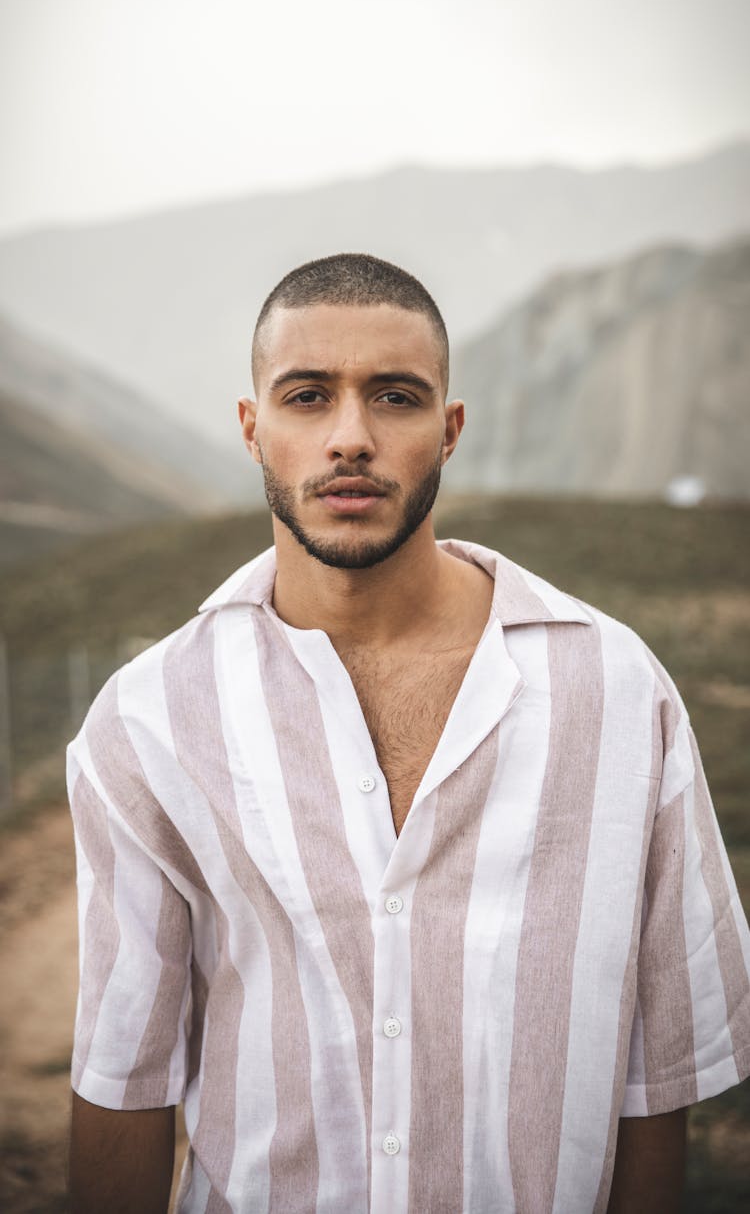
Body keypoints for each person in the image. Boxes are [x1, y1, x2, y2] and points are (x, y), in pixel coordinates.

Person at [67, 253, 750, 1214]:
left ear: (450, 428)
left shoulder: (618, 691)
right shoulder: (149, 720)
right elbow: (124, 1082)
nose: (352, 437)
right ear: (253, 428)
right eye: (308, 397)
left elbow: (656, 1083)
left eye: (395, 396)